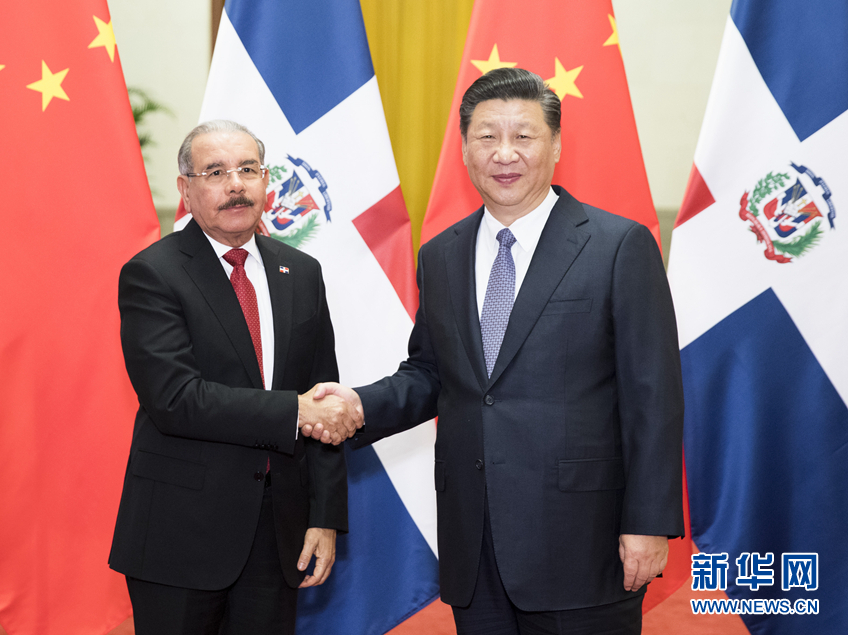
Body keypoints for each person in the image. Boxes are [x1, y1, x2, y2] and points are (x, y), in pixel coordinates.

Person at [308, 68, 684, 634]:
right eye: (487, 137)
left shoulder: (617, 246)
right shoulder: (442, 254)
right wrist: (359, 405)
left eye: (523, 136)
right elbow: (433, 373)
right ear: (464, 149)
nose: (504, 154)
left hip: (584, 543)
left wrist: (649, 523)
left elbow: (653, 397)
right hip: (475, 542)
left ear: (556, 145)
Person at [109, 120, 361, 635]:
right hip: (180, 532)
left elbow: (323, 397)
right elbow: (175, 399)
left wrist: (325, 516)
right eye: (216, 172)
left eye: (248, 169)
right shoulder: (153, 274)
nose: (236, 185)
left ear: (266, 181)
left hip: (278, 532)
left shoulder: (301, 272)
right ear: (185, 190)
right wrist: (294, 411)